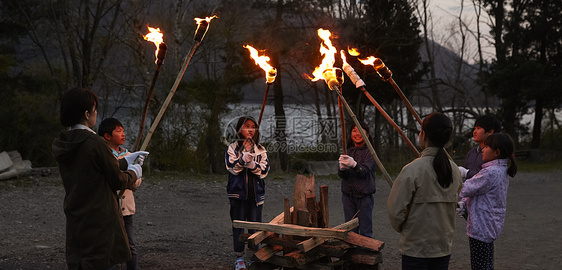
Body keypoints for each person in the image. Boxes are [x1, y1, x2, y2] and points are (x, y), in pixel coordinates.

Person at [52, 87, 148, 270]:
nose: (96, 114)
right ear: (87, 114)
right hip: (99, 218)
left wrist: (125, 161)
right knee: (101, 263)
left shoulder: (66, 141)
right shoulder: (94, 142)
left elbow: (94, 168)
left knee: (83, 261)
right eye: (94, 110)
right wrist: (134, 171)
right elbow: (118, 180)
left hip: (77, 214)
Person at [387, 112, 463, 270]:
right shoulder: (455, 170)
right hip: (443, 247)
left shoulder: (412, 170)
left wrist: (405, 227)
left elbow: (395, 212)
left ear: (423, 135)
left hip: (416, 249)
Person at [456, 133, 517, 270]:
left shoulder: (491, 172)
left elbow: (466, 188)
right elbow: (478, 192)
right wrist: (465, 203)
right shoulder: (501, 170)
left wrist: (456, 178)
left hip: (481, 227)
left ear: (497, 152)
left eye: (487, 146)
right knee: (486, 263)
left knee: (480, 265)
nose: (482, 149)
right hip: (489, 225)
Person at [225, 116, 270, 270]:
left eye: (253, 126)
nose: (250, 129)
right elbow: (233, 168)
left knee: (255, 226)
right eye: (247, 126)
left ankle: (254, 257)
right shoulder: (232, 148)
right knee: (238, 225)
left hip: (256, 195)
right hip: (237, 194)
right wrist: (242, 159)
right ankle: (239, 258)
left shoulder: (261, 149)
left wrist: (252, 163)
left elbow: (264, 171)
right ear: (239, 129)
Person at [99, 118, 142, 270]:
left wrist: (135, 172)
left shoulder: (129, 155)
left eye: (123, 131)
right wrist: (125, 175)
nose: (123, 134)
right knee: (111, 246)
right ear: (107, 136)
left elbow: (136, 183)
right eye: (118, 131)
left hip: (127, 210)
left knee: (130, 245)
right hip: (110, 209)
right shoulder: (104, 156)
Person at [337, 121, 376, 237]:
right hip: (348, 196)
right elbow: (342, 176)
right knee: (350, 229)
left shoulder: (370, 152)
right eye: (354, 131)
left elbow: (365, 171)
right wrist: (342, 169)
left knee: (365, 229)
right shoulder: (347, 151)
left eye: (360, 131)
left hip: (364, 196)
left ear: (367, 135)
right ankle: (352, 252)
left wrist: (354, 165)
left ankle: (367, 252)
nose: (357, 134)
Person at [460, 115, 502, 179]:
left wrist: (466, 173)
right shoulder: (471, 153)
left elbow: (487, 178)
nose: (474, 132)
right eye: (475, 128)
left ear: (490, 132)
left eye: (478, 128)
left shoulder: (494, 154)